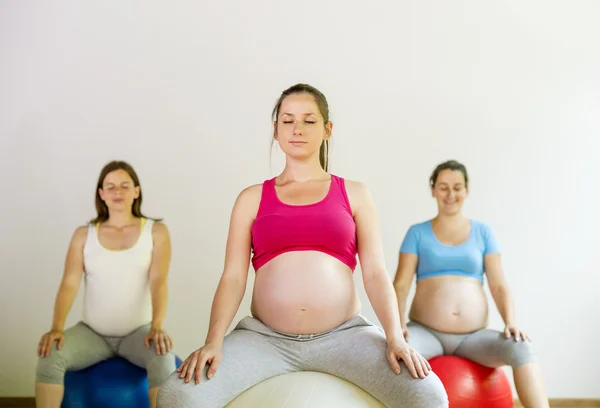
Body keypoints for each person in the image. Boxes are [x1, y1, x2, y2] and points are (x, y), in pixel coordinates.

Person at [157, 84, 448, 408]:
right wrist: (213, 341)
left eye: (309, 120)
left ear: (327, 129)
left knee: (428, 396)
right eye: (287, 120)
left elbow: (376, 274)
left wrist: (394, 336)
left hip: (345, 338)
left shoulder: (355, 193)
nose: (297, 129)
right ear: (276, 130)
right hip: (264, 340)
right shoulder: (251, 198)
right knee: (177, 396)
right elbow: (233, 278)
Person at [393, 160, 549, 408]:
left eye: (457, 187)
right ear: (433, 190)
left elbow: (499, 285)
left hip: (473, 338)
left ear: (466, 190)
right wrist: (397, 326)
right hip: (425, 333)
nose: (450, 194)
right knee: (394, 356)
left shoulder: (483, 232)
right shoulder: (417, 233)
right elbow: (400, 285)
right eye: (443, 187)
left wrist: (510, 323)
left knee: (522, 348)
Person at [35, 160, 176, 408]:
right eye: (110, 186)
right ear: (101, 193)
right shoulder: (84, 234)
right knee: (50, 354)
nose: (117, 192)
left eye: (124, 185)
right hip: (93, 334)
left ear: (136, 191)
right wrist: (56, 327)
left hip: (138, 335)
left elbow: (158, 281)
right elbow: (69, 283)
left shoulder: (156, 232)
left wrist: (157, 326)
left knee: (163, 357)